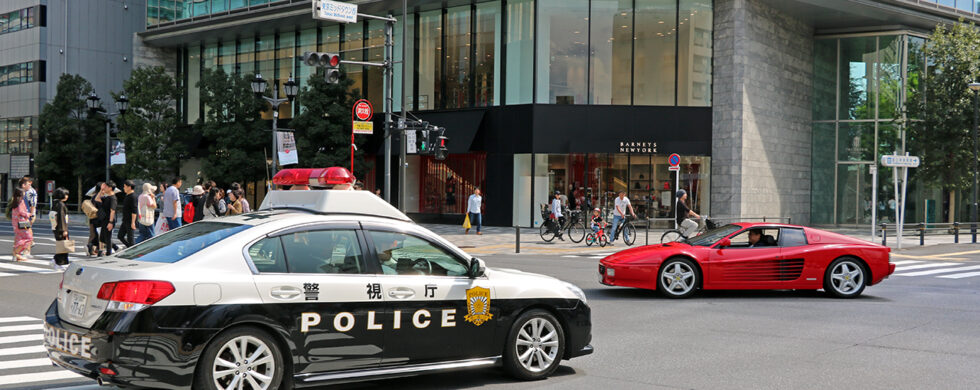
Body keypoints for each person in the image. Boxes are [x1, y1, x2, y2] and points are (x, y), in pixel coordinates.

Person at [7, 188, 32, 261]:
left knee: (19, 238)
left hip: (16, 223)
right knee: (28, 238)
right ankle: (16, 253)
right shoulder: (20, 202)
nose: (24, 193)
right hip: (22, 222)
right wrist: (28, 214)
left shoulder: (15, 201)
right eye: (23, 192)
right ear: (21, 194)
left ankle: (16, 256)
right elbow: (21, 212)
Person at [97, 181, 118, 256]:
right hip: (104, 220)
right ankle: (115, 247)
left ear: (110, 188)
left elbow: (112, 211)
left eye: (106, 187)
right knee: (102, 238)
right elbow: (97, 199)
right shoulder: (107, 197)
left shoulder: (113, 198)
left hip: (109, 220)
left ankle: (109, 253)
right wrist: (101, 190)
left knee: (107, 238)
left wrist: (111, 222)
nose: (104, 188)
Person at [51, 188, 70, 267]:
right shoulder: (61, 205)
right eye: (66, 194)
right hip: (60, 228)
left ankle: (59, 261)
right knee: (63, 246)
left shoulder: (55, 203)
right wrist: (64, 230)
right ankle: (59, 262)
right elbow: (61, 218)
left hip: (56, 227)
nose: (67, 196)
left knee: (62, 245)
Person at [19, 177, 37, 257]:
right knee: (24, 231)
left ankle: (27, 250)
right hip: (23, 213)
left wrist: (32, 214)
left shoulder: (31, 192)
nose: (29, 185)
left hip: (28, 213)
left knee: (27, 230)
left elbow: (33, 204)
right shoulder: (22, 191)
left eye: (30, 184)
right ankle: (28, 247)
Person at [118, 180, 138, 248]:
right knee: (120, 236)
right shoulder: (127, 196)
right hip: (125, 220)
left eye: (125, 187)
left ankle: (133, 252)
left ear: (129, 187)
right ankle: (129, 248)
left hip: (130, 221)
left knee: (130, 239)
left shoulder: (133, 197)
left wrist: (133, 222)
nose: (123, 188)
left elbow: (134, 210)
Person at [86, 183, 103, 256]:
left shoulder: (93, 197)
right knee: (101, 236)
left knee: (93, 235)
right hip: (99, 219)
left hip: (92, 218)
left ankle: (90, 247)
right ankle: (99, 250)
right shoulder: (100, 197)